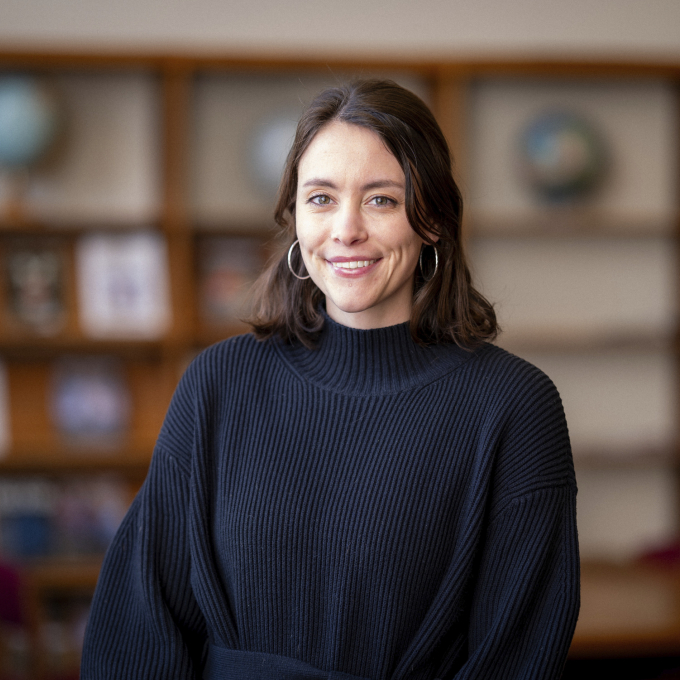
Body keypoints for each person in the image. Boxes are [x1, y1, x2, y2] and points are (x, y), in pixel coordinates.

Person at [81, 79, 579, 680]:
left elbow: (518, 655)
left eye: (381, 200)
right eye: (321, 198)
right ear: (294, 217)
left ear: (432, 221)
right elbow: (140, 620)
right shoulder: (218, 384)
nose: (346, 230)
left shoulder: (515, 407)